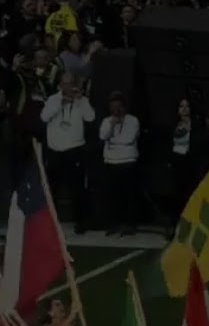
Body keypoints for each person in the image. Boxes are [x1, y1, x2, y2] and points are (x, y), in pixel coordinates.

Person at [39, 72, 95, 234]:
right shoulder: (52, 100)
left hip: (74, 150)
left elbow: (90, 117)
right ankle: (50, 222)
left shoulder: (81, 100)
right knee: (52, 188)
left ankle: (81, 221)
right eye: (65, 83)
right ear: (60, 85)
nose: (68, 87)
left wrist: (80, 100)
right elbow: (44, 117)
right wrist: (60, 103)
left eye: (71, 83)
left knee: (77, 188)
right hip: (55, 150)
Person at [97, 92, 141, 235]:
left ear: (124, 107)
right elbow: (103, 136)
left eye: (118, 107)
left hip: (128, 162)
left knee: (129, 196)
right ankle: (113, 224)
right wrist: (112, 126)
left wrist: (113, 141)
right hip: (110, 162)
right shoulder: (106, 121)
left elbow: (128, 138)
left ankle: (130, 224)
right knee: (112, 196)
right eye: (113, 107)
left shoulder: (133, 121)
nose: (116, 110)